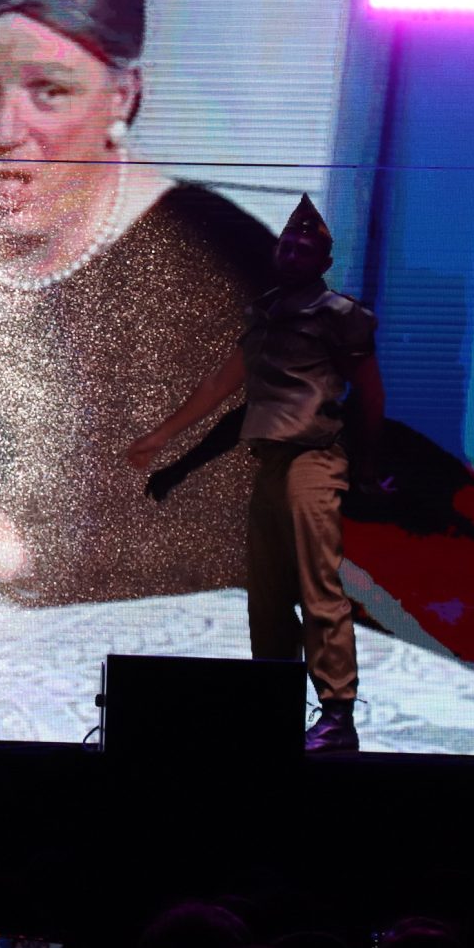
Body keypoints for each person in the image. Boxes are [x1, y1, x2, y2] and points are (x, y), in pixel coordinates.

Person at [0, 0, 273, 605]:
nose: (3, 131)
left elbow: (247, 532)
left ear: (121, 97)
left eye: (51, 91)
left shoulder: (221, 261)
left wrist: (23, 552)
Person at [127, 196, 386, 753]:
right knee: (266, 598)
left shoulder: (340, 316)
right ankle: (275, 706)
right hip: (270, 465)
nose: (291, 253)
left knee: (318, 590)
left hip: (314, 461)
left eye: (304, 248)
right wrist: (168, 445)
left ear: (323, 261)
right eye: (287, 244)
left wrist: (367, 469)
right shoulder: (266, 314)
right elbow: (225, 392)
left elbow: (369, 394)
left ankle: (338, 715)